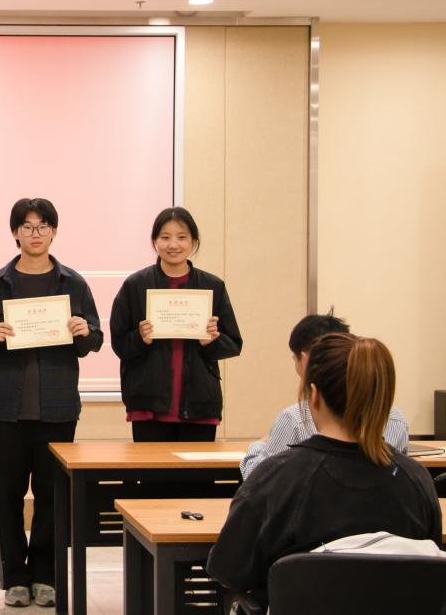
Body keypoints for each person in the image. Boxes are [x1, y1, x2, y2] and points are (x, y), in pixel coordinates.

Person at [207, 333, 441, 595]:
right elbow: (428, 567)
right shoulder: (416, 480)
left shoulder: (277, 478)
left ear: (315, 396)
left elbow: (229, 570)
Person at [0, 198, 103, 608]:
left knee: (51, 495)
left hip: (57, 409)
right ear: (15, 232)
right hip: (6, 410)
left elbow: (94, 340)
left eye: (43, 226)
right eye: (27, 226)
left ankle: (45, 575)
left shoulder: (73, 283)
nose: (35, 233)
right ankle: (14, 577)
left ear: (54, 231)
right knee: (6, 495)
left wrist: (83, 331)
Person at [109, 207, 242, 441]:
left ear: (193, 242)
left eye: (182, 237)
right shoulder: (135, 285)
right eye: (165, 237)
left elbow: (233, 344)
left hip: (200, 405)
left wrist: (212, 341)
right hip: (148, 405)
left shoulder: (212, 286)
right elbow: (119, 343)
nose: (173, 245)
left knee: (196, 467)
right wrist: (140, 338)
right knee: (152, 467)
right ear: (155, 241)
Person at [241, 311, 410, 479]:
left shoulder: (293, 419)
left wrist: (258, 445)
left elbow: (259, 479)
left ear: (306, 360)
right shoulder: (397, 421)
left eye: (295, 357)